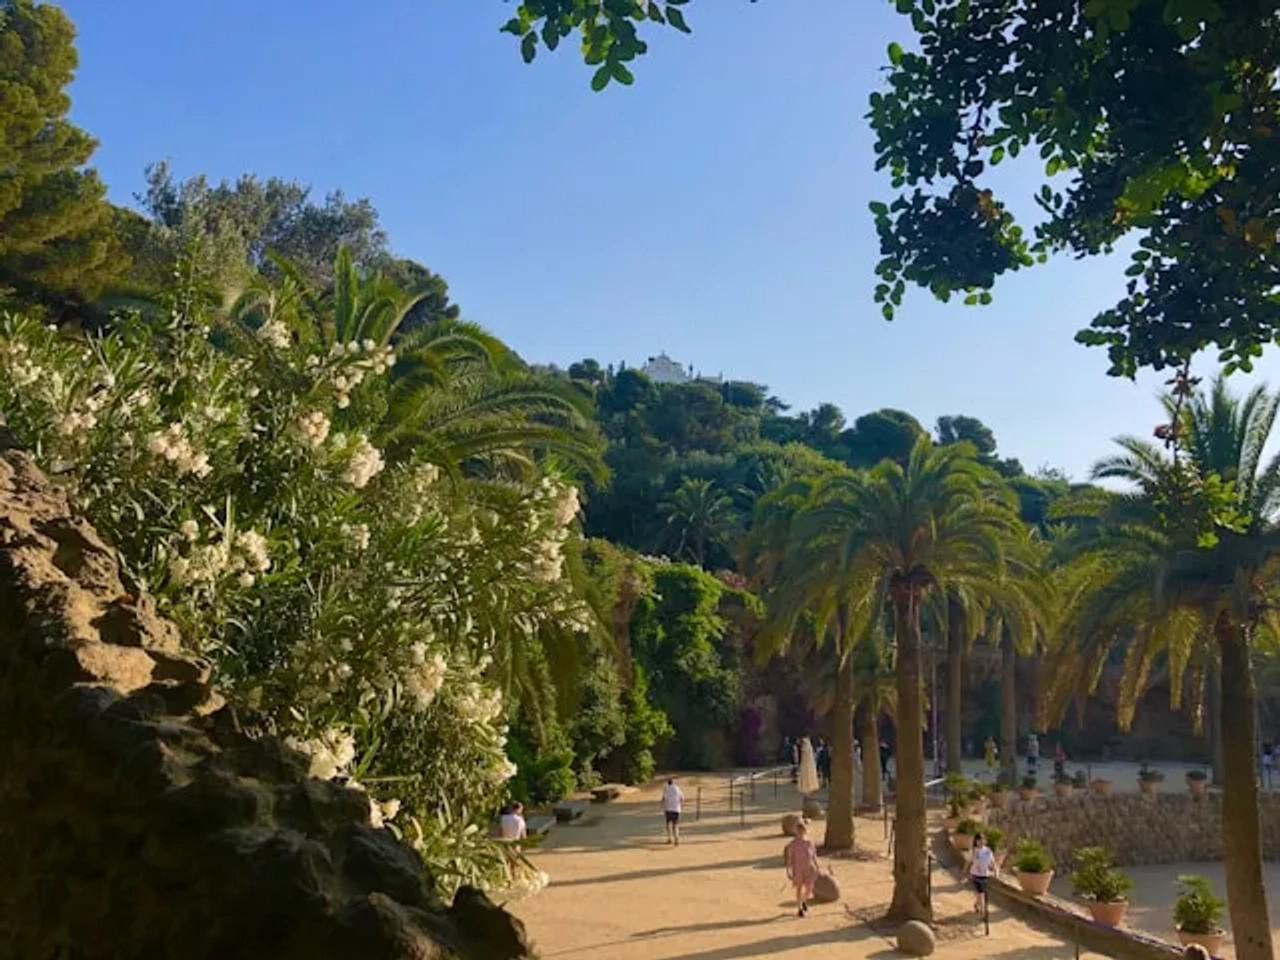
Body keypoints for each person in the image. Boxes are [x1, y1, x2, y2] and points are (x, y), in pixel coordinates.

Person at [783, 819, 820, 917]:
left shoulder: (809, 843)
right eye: (798, 830)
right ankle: (800, 908)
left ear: (805, 831)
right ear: (796, 831)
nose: (800, 832)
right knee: (799, 888)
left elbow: (814, 856)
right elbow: (789, 859)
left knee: (809, 889)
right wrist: (788, 871)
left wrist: (817, 866)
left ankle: (803, 901)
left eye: (802, 830)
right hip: (798, 869)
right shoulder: (792, 845)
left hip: (809, 868)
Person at [967, 831, 997, 915]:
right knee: (981, 893)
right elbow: (968, 862)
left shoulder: (988, 851)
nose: (980, 842)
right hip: (975, 875)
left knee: (981, 893)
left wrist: (996, 871)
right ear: (976, 841)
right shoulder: (973, 850)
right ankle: (983, 912)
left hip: (985, 875)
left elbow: (993, 862)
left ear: (985, 841)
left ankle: (977, 904)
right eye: (978, 840)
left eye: (982, 840)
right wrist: (964, 872)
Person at [661, 776, 684, 845]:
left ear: (668, 782)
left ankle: (670, 838)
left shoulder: (666, 789)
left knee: (668, 824)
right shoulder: (677, 788)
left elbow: (664, 798)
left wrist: (663, 805)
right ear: (673, 782)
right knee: (675, 824)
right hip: (676, 809)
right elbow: (682, 798)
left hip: (668, 809)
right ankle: (676, 838)